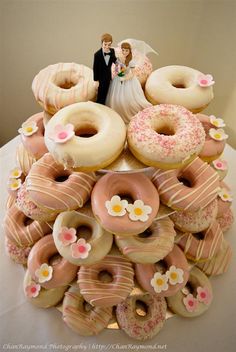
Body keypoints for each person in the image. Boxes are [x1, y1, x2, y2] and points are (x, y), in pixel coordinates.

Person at [105, 42, 152, 123]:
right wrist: (119, 72)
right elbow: (116, 69)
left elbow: (133, 73)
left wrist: (126, 77)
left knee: (130, 98)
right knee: (116, 98)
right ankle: (115, 114)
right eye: (123, 50)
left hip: (129, 80)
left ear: (129, 51)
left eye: (126, 51)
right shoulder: (119, 59)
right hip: (118, 79)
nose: (124, 52)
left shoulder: (132, 61)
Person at [93, 33, 117, 105]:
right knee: (100, 94)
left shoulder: (112, 51)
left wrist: (120, 64)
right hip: (100, 78)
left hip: (108, 77)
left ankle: (104, 106)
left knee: (107, 93)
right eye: (105, 44)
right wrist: (96, 80)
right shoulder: (97, 54)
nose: (107, 46)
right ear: (102, 43)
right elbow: (95, 68)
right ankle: (99, 105)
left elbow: (114, 60)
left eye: (109, 45)